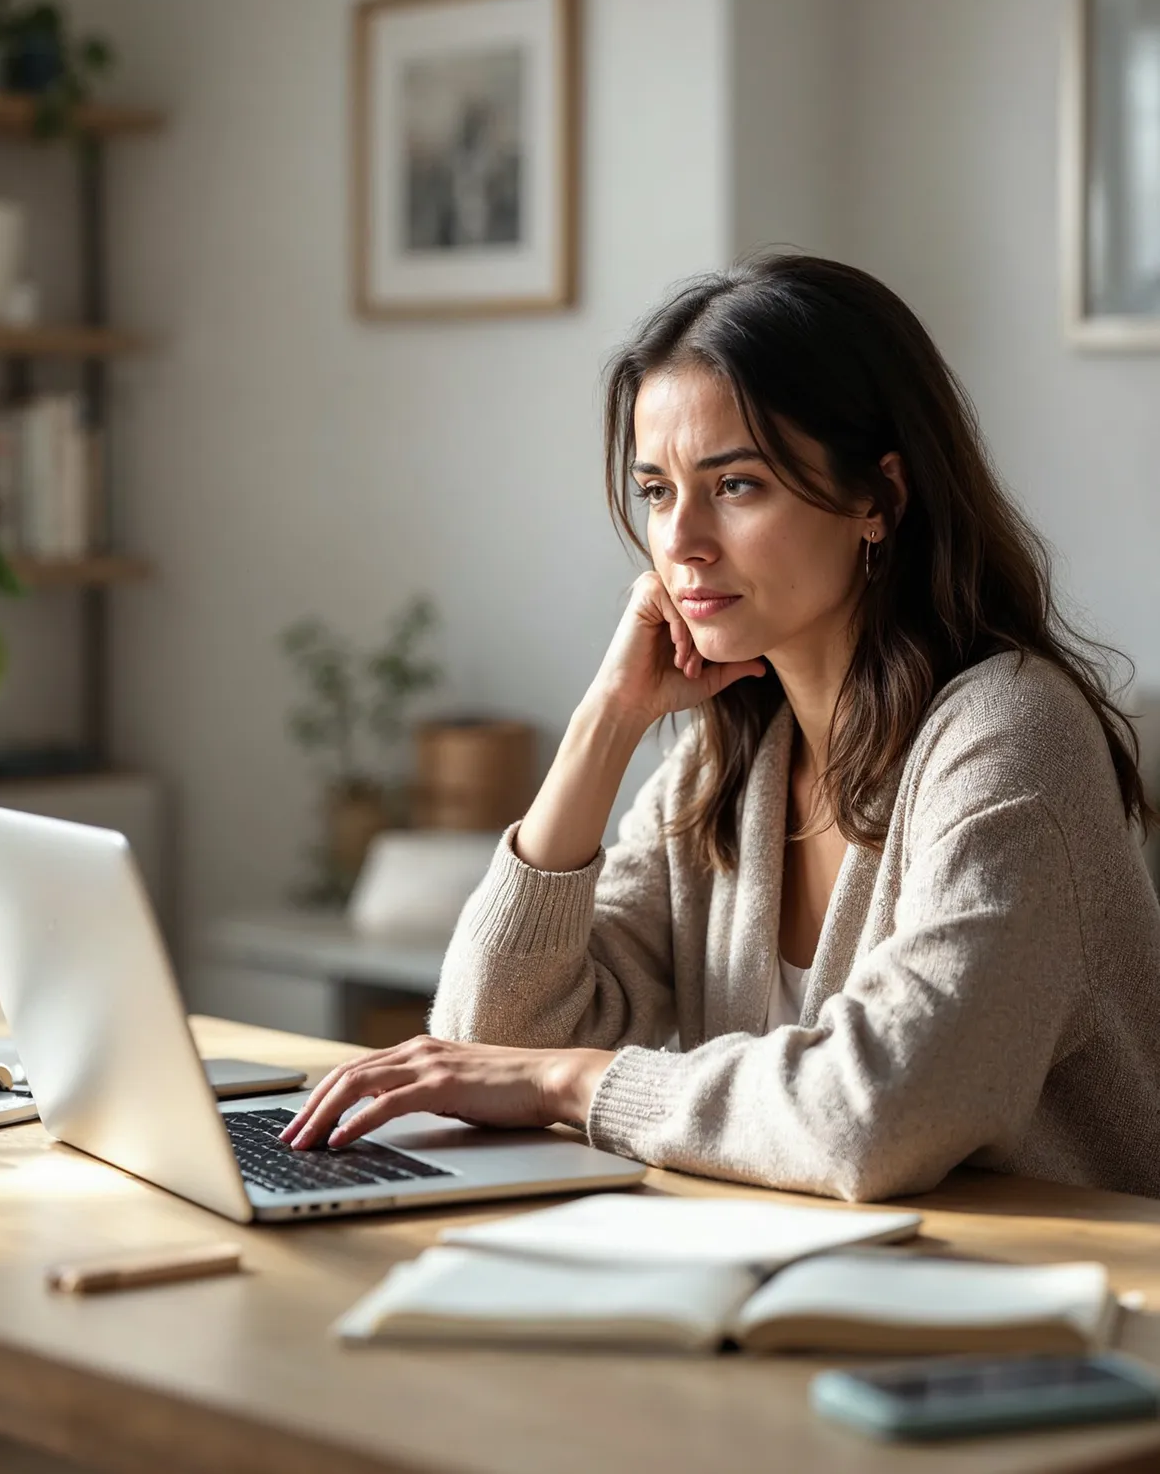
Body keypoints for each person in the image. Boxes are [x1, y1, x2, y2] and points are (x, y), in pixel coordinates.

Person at [282, 254, 1160, 1202]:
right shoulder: (728, 764)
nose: (681, 542)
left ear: (879, 500)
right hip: (808, 1266)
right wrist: (605, 721)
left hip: (1048, 1284)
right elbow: (487, 1039)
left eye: (736, 485)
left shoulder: (1012, 736)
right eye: (657, 491)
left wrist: (568, 1082)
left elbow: (877, 1114)